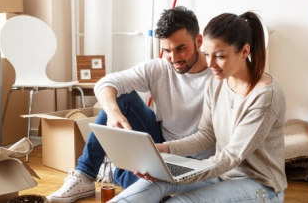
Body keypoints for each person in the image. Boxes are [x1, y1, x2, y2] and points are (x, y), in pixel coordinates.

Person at [108, 11, 287, 203]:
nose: (210, 64)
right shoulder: (218, 81)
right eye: (207, 55)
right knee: (153, 184)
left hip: (260, 186)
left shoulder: (265, 95)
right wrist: (162, 150)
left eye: (219, 56)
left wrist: (175, 172)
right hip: (222, 176)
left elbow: (231, 156)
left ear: (244, 51)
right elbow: (206, 135)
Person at [47, 6, 215, 203]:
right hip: (161, 144)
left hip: (199, 160)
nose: (174, 58)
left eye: (181, 48)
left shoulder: (219, 75)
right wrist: (112, 113)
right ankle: (84, 174)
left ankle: (116, 171)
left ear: (199, 41)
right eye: (167, 50)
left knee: (160, 195)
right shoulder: (159, 68)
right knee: (120, 96)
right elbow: (106, 83)